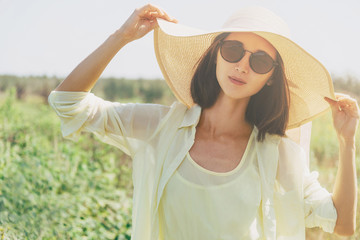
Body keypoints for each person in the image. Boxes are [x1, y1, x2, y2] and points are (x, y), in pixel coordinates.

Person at [48, 4, 359, 240]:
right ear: (216, 55)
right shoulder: (159, 127)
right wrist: (121, 37)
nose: (242, 65)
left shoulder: (279, 155)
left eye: (260, 60)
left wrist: (346, 143)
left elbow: (343, 222)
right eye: (233, 50)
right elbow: (68, 104)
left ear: (269, 78)